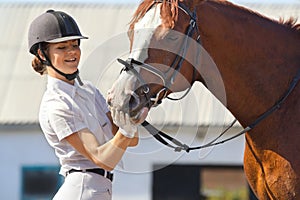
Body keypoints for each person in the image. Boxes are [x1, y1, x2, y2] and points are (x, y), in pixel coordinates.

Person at [28, 10, 143, 200]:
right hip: (83, 190)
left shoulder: (89, 91)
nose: (72, 51)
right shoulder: (56, 105)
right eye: (62, 47)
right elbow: (102, 158)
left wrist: (131, 113)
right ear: (42, 53)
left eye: (75, 44)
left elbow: (130, 140)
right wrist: (127, 129)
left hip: (98, 190)